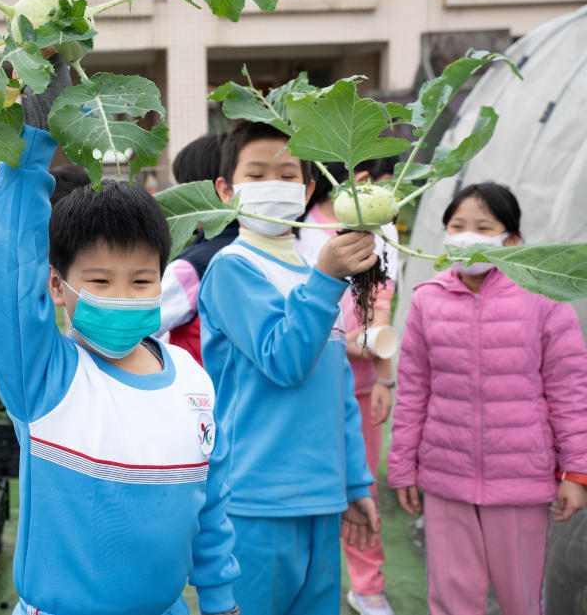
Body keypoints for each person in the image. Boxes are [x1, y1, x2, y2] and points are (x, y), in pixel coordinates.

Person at [0, 54, 241, 615]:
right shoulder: (46, 380)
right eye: (99, 279)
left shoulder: (192, 381)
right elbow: (4, 274)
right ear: (57, 285)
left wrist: (219, 600)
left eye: (141, 280)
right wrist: (28, 152)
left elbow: (210, 507)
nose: (122, 294)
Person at [198, 120, 379, 615]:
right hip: (257, 498)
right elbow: (285, 361)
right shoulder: (232, 269)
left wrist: (355, 484)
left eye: (286, 174)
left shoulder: (314, 276)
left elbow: (340, 394)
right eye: (256, 175)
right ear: (226, 189)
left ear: (308, 189)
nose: (272, 186)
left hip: (320, 496)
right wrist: (326, 277)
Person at [388, 182, 587, 615]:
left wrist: (577, 471)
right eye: (457, 226)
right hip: (446, 479)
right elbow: (414, 390)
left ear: (511, 240)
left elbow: (570, 390)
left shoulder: (543, 298)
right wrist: (403, 465)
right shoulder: (428, 300)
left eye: (483, 227)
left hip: (520, 480)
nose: (467, 236)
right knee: (451, 600)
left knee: (521, 600)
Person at [295, 157, 400, 615]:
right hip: (307, 380)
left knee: (363, 485)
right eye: (376, 178)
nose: (380, 186)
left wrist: (383, 377)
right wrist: (349, 342)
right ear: (356, 180)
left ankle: (367, 583)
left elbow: (380, 304)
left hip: (358, 380)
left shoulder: (384, 232)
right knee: (312, 485)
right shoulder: (298, 227)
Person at [156, 132, 237, 365]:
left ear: (220, 190)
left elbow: (135, 328)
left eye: (184, 190)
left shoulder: (192, 268)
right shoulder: (267, 248)